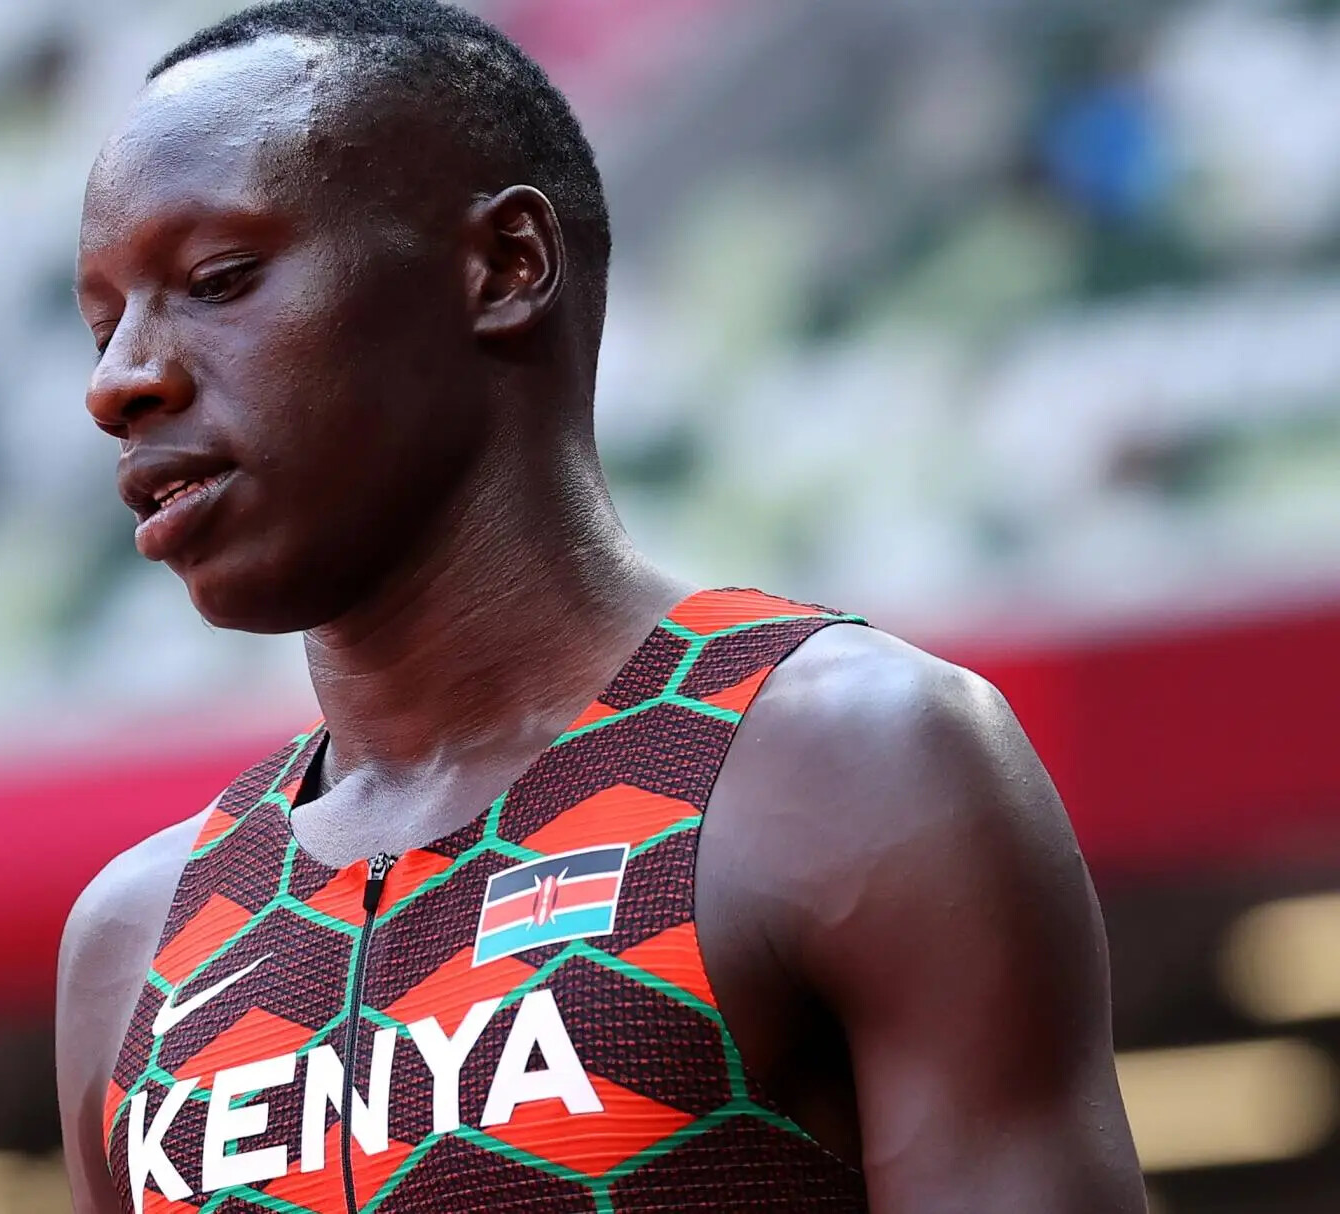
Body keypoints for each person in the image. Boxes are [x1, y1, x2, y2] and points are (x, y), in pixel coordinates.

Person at [56, 2, 1147, 1211]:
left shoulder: (849, 764)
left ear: (505, 265)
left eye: (216, 280)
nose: (119, 381)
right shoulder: (137, 938)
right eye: (103, 326)